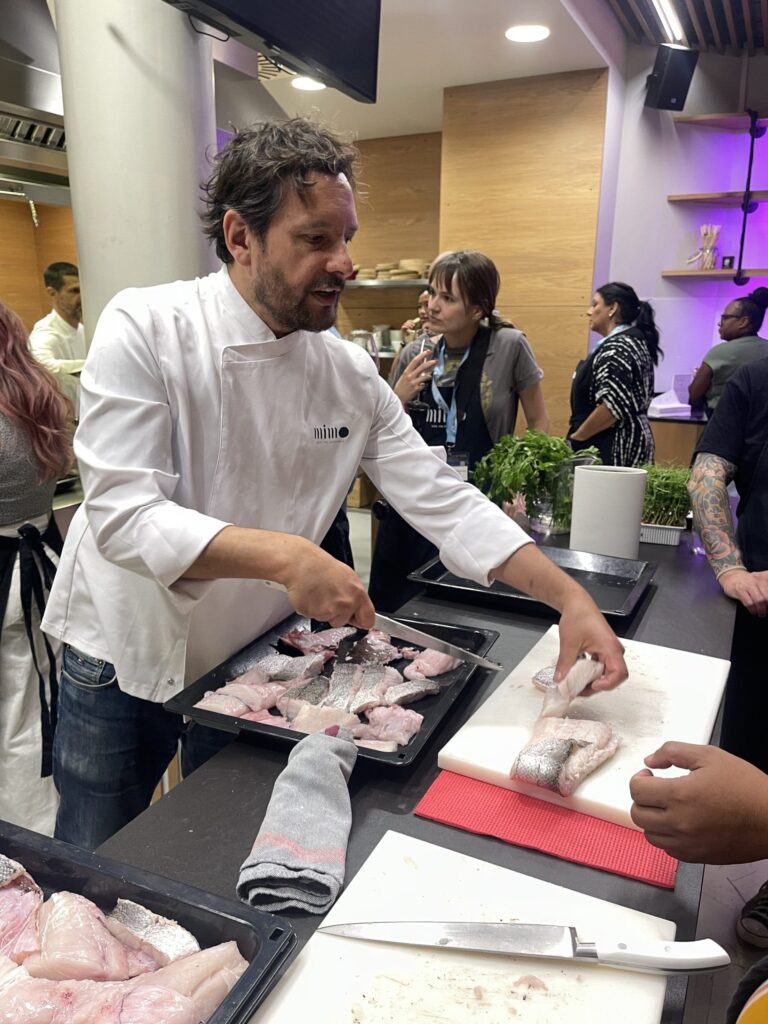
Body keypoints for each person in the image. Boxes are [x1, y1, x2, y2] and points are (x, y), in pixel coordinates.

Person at [42, 117, 626, 852]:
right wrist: (290, 557)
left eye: (346, 237)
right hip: (122, 646)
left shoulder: (346, 371)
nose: (343, 262)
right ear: (240, 236)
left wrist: (570, 598)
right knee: (97, 854)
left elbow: (441, 498)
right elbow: (125, 518)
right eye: (315, 239)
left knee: (217, 843)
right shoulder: (148, 327)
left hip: (249, 653)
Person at [633, 355, 768, 950]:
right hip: (760, 601)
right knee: (750, 752)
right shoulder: (758, 376)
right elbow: (708, 473)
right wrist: (729, 564)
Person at [368, 249, 550, 611]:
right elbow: (384, 430)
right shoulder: (414, 352)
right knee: (395, 611)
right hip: (414, 504)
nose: (432, 306)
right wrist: (398, 395)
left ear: (479, 308)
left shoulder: (509, 346)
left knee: (466, 607)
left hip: (479, 502)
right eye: (432, 293)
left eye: (447, 298)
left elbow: (539, 423)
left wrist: (521, 485)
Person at [0, 300, 73, 835]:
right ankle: (41, 826)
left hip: (8, 573)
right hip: (42, 561)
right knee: (36, 703)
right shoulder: (40, 393)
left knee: (16, 717)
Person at [567, 282, 661, 466]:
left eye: (595, 304)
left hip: (613, 448)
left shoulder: (618, 347)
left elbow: (611, 408)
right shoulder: (629, 341)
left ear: (612, 308)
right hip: (623, 441)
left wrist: (576, 439)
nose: (589, 311)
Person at [687, 288, 768, 414]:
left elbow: (694, 394)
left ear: (743, 322)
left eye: (725, 318)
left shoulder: (719, 352)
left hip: (723, 422)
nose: (720, 323)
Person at [29, 261, 86, 416]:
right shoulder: (45, 332)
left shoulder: (84, 330)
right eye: (74, 291)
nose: (82, 297)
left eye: (83, 290)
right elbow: (41, 366)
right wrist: (93, 366)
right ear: (52, 293)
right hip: (62, 425)